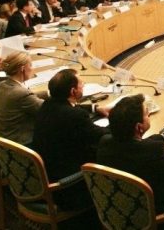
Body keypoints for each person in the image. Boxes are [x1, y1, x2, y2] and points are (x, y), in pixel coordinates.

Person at [97, 94, 164, 214]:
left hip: (116, 210)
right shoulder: (153, 150)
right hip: (154, 213)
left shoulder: (105, 142)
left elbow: (137, 145)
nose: (149, 115)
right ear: (139, 127)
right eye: (146, 114)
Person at [32, 69, 110, 204]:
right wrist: (121, 120)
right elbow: (100, 136)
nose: (84, 85)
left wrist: (95, 108)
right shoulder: (75, 116)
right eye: (82, 84)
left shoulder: (47, 105)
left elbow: (72, 108)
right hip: (68, 187)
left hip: (47, 174)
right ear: (73, 91)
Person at [0, 52, 48, 145]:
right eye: (30, 65)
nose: (32, 69)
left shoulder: (1, 85)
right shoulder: (22, 94)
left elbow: (28, 97)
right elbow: (47, 109)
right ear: (22, 69)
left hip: (2, 138)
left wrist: (48, 93)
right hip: (20, 143)